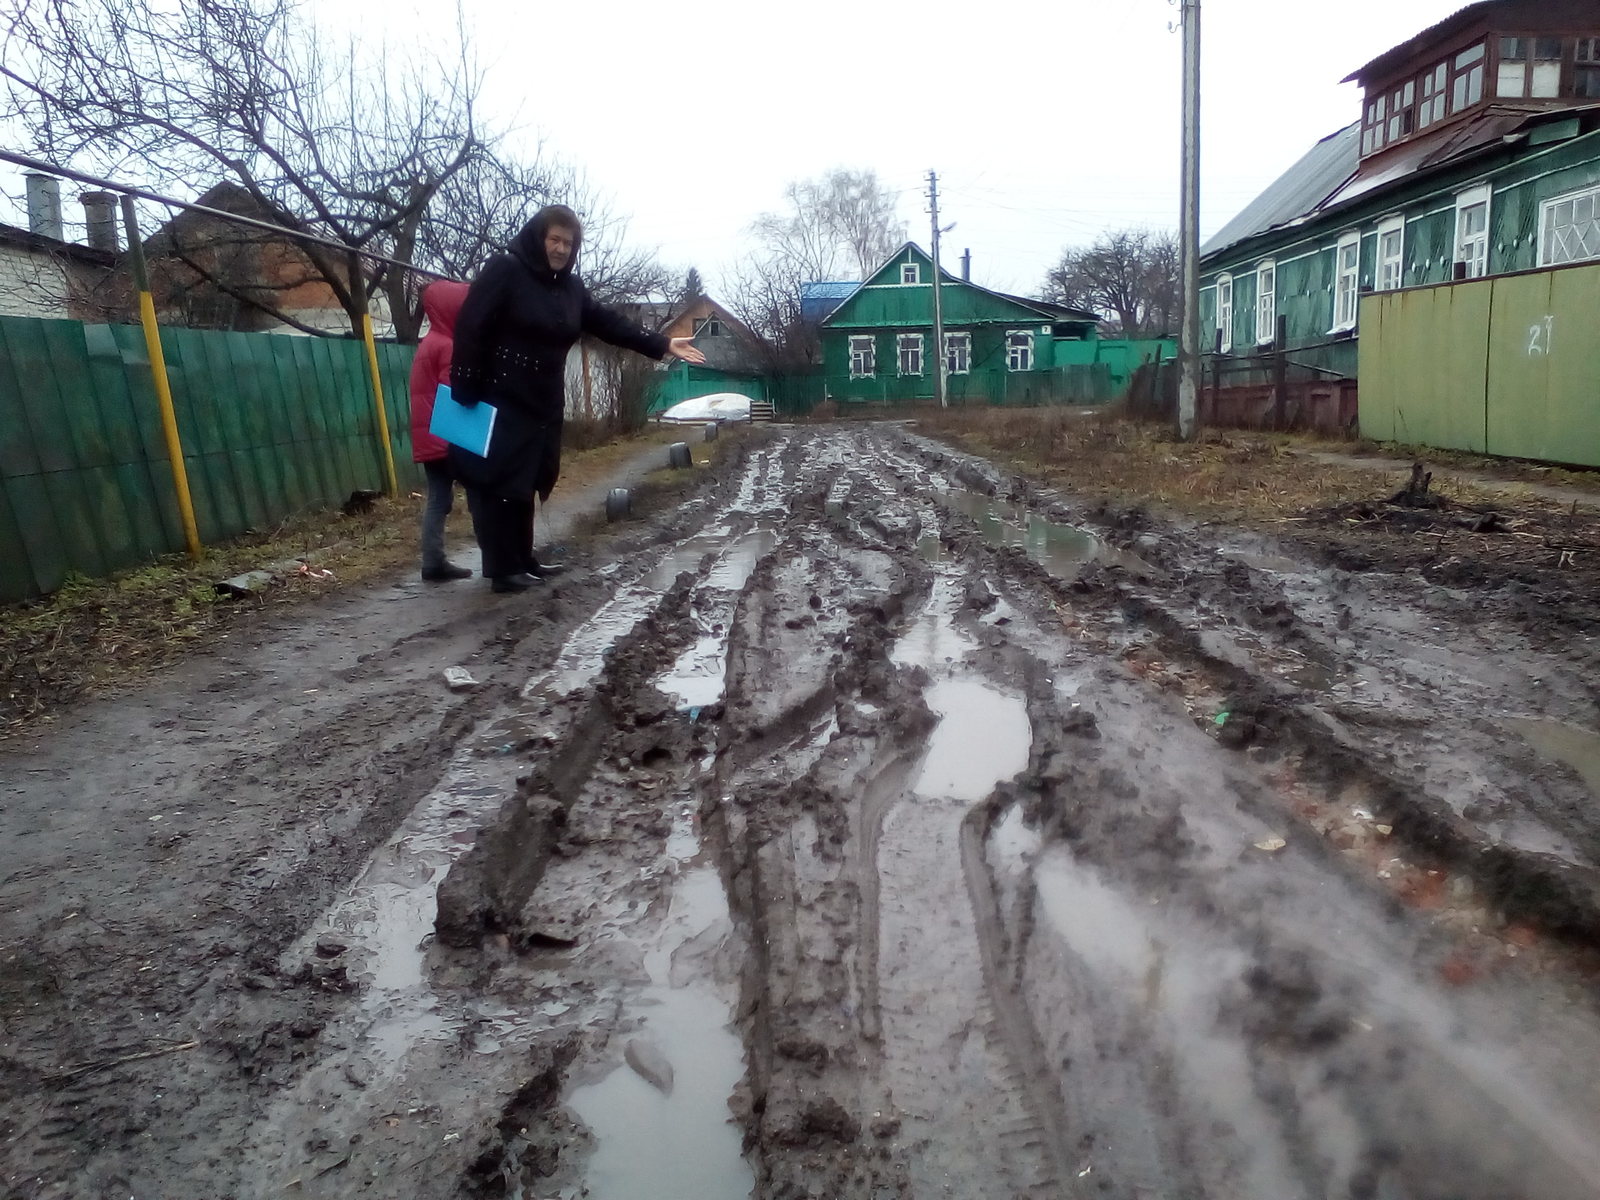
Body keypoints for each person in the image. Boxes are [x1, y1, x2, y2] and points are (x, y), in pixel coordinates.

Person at [449, 205, 706, 593]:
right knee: (501, 482)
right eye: (554, 239)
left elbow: (607, 322)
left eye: (568, 243)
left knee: (530, 479)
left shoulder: (570, 288)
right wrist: (464, 386)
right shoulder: (505, 270)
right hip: (499, 396)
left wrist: (663, 342)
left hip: (542, 402)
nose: (561, 249)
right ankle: (502, 570)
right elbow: (471, 326)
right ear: (538, 238)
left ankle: (523, 560)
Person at [408, 280, 474, 582]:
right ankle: (499, 554)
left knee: (439, 498)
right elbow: (454, 392)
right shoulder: (448, 345)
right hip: (446, 435)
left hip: (428, 434)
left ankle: (433, 562)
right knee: (481, 490)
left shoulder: (429, 342)